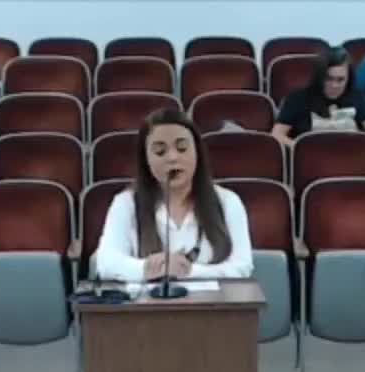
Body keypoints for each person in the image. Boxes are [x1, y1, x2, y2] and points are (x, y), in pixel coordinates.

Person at [93, 109, 253, 282]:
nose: (172, 157)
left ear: (197, 152)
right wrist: (150, 268)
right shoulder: (126, 203)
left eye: (182, 148)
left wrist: (188, 271)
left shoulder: (228, 201)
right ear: (146, 159)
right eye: (160, 151)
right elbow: (106, 264)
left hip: (214, 299)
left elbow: (242, 266)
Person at [271, 46, 365, 147]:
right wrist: (300, 148)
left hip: (350, 157)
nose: (334, 85)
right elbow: (276, 135)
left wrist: (362, 143)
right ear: (320, 76)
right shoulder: (297, 99)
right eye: (328, 79)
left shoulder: (357, 97)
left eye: (340, 80)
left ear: (348, 78)